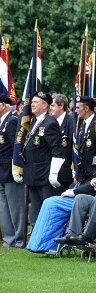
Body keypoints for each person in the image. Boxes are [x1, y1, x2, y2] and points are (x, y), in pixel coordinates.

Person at [27, 139, 96, 253]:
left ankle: (47, 245)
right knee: (49, 201)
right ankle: (38, 244)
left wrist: (75, 192)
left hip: (88, 197)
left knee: (52, 203)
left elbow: (95, 185)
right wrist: (73, 188)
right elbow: (84, 180)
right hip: (82, 194)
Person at [17, 92, 65, 227]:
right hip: (33, 174)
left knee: (48, 209)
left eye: (36, 102)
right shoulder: (35, 121)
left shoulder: (50, 123)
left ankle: (48, 238)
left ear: (45, 106)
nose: (32, 104)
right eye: (32, 102)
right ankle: (37, 237)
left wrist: (54, 173)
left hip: (44, 175)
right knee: (35, 209)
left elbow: (57, 149)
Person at [0, 94, 25, 248]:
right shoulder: (2, 122)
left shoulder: (12, 121)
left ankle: (19, 239)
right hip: (1, 171)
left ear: (3, 105)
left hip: (10, 170)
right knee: (4, 207)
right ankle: (9, 239)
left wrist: (17, 168)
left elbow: (15, 147)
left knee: (16, 207)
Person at [50, 93, 73, 194]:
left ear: (61, 105)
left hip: (65, 172)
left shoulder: (70, 122)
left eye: (53, 105)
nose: (50, 108)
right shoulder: (50, 121)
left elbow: (71, 147)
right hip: (51, 171)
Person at [75, 96, 96, 181]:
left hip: (94, 171)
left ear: (86, 108)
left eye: (78, 108)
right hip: (84, 171)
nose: (75, 110)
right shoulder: (82, 124)